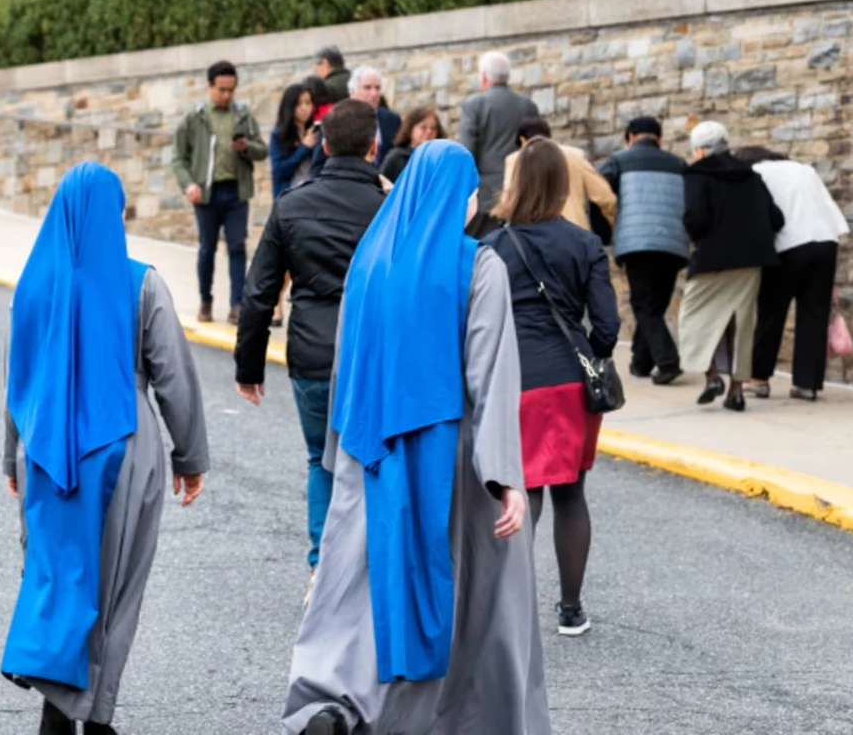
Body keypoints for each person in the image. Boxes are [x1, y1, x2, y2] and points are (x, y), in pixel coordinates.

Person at [283, 140, 546, 735]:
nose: (476, 201)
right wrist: (505, 476)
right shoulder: (478, 265)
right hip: (453, 458)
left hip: (367, 454)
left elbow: (346, 361)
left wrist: (338, 452)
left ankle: (339, 705)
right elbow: (491, 375)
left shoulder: (371, 260)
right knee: (477, 601)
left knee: (359, 592)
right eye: (472, 190)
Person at [2, 162, 209, 735]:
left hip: (44, 450)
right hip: (122, 444)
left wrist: (9, 456)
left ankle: (57, 707)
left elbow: (19, 379)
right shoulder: (141, 281)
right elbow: (172, 375)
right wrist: (190, 457)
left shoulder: (33, 284)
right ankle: (91, 715)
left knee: (56, 574)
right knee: (115, 584)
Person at [235, 99, 387, 585]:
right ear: (374, 146)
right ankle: (372, 567)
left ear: (323, 143)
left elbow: (259, 293)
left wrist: (249, 367)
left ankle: (322, 569)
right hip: (376, 354)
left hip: (313, 354)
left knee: (320, 461)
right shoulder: (391, 210)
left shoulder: (291, 205)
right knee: (377, 461)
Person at [484, 138, 620, 638]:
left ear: (516, 183)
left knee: (522, 492)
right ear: (563, 185)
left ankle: (512, 608)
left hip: (513, 379)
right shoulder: (583, 245)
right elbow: (607, 326)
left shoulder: (494, 246)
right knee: (570, 494)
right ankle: (570, 609)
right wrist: (590, 348)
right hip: (568, 378)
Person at [679, 122, 784, 412]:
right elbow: (776, 219)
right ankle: (736, 390)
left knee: (694, 317)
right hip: (751, 260)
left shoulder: (695, 174)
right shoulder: (751, 175)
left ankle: (712, 375)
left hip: (712, 258)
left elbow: (695, 219)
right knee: (740, 324)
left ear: (699, 150)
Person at [735, 146, 850, 402]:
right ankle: (807, 384)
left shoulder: (755, 172)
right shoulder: (804, 170)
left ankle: (758, 378)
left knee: (771, 313)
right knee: (814, 315)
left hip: (787, 245)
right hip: (825, 241)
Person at [169, 61, 268, 325]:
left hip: (236, 191)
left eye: (231, 90)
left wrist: (245, 146)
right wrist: (189, 184)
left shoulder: (243, 115)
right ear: (209, 87)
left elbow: (262, 150)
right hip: (206, 194)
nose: (226, 95)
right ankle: (206, 300)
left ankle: (237, 304)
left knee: (237, 247)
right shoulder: (194, 117)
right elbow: (178, 158)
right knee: (207, 249)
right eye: (221, 90)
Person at [599, 116, 689, 384]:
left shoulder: (618, 161)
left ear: (630, 136)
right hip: (673, 245)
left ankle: (668, 361)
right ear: (658, 139)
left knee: (644, 305)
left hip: (637, 243)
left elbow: (601, 196)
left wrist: (605, 235)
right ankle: (641, 363)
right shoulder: (679, 164)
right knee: (653, 306)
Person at [458, 51, 539, 236]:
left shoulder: (474, 105)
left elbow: (467, 153)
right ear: (508, 76)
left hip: (485, 199)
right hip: (522, 194)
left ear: (484, 76)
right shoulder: (528, 106)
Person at [498, 118, 617, 233]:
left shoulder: (516, 159)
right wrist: (613, 222)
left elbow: (508, 201)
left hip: (532, 235)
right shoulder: (575, 155)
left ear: (522, 139)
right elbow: (605, 197)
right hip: (575, 232)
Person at [270, 82, 320, 199]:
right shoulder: (279, 135)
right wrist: (303, 148)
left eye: (308, 103)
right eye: (299, 104)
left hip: (314, 195)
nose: (304, 108)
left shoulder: (315, 132)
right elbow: (279, 171)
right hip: (289, 195)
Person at [380, 105, 445, 183]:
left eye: (433, 128)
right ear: (411, 129)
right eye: (423, 127)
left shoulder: (442, 158)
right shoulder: (397, 158)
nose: (429, 132)